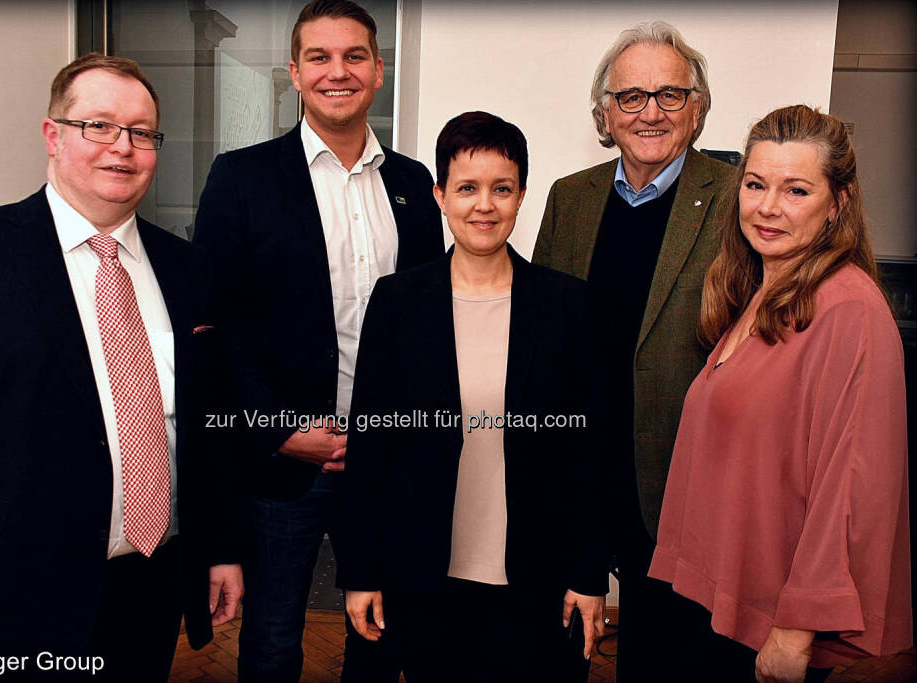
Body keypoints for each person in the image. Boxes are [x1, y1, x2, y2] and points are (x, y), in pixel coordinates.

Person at [0, 53, 244, 682]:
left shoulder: (187, 269)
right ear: (53, 135)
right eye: (99, 126)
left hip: (150, 583)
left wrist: (217, 550)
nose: (123, 148)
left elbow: (198, 427)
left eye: (141, 132)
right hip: (11, 596)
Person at [192, 1, 444, 680]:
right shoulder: (242, 178)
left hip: (385, 457)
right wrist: (277, 429)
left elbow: (428, 324)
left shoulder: (414, 186)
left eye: (355, 55)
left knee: (380, 631)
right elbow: (213, 330)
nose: (339, 71)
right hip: (286, 462)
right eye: (320, 57)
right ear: (296, 74)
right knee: (273, 640)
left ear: (379, 70)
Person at [339, 111, 608, 683]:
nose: (484, 205)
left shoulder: (568, 307)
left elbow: (590, 457)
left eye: (501, 188)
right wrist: (361, 571)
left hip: (537, 580)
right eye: (467, 188)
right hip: (424, 577)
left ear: (521, 196)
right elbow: (370, 453)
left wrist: (589, 575)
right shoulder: (398, 303)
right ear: (440, 195)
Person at [649, 105, 912, 683]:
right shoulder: (755, 292)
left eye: (795, 190)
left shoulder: (849, 312)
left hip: (770, 628)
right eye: (755, 184)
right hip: (716, 607)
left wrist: (795, 633)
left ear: (838, 203)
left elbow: (850, 491)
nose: (768, 207)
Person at [531, 21, 735, 680]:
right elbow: (539, 335)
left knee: (662, 664)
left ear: (697, 107)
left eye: (670, 95)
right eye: (631, 97)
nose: (650, 112)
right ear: (604, 113)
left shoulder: (739, 201)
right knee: (553, 658)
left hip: (680, 486)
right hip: (578, 477)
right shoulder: (571, 197)